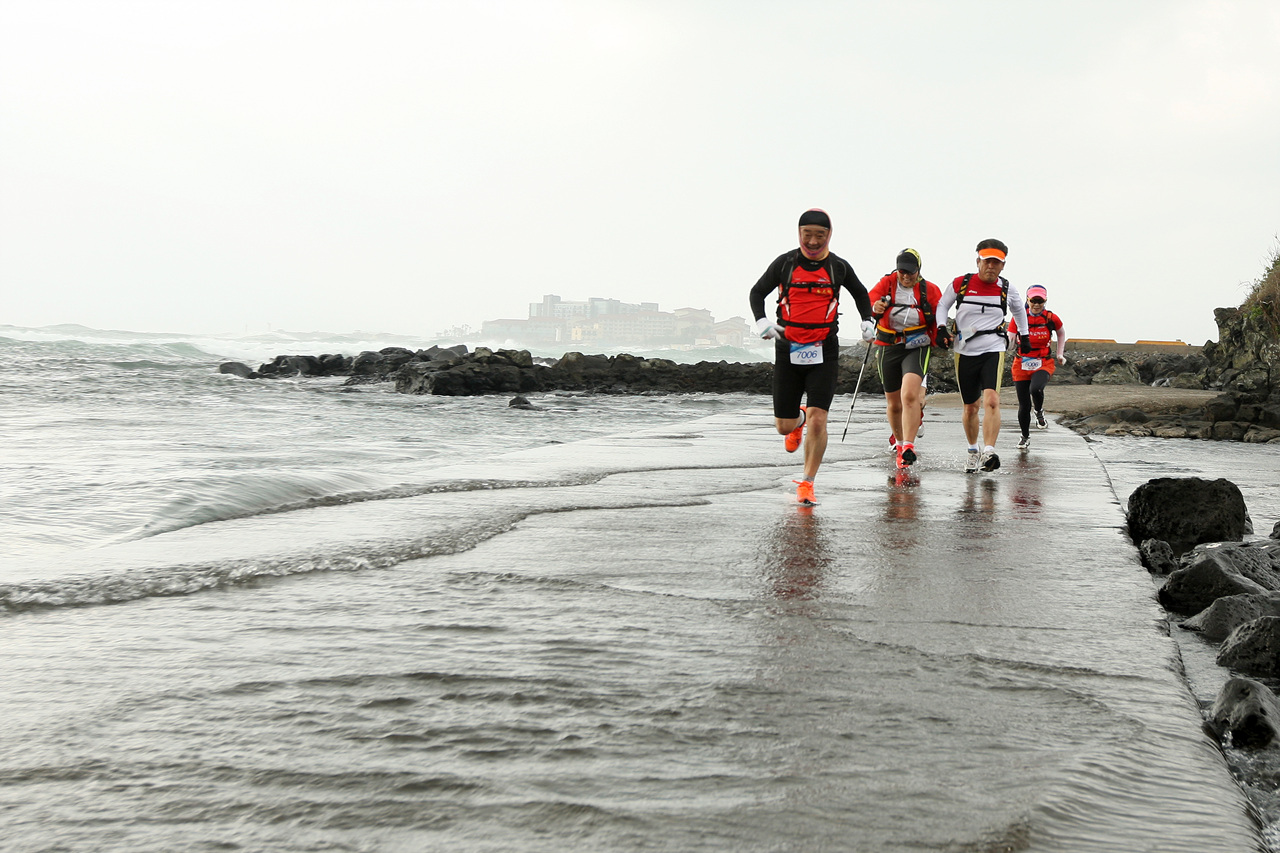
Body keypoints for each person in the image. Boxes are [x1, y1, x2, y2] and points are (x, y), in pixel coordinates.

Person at [749, 209, 874, 505]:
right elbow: (757, 292)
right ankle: (798, 419)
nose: (813, 240)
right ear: (799, 233)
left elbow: (860, 293)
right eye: (808, 234)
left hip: (824, 349)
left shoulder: (837, 267)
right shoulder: (785, 264)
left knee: (821, 419)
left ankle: (807, 482)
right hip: (788, 348)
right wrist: (761, 321)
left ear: (829, 235)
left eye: (820, 235)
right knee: (784, 425)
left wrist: (867, 321)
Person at [935, 238, 1029, 473]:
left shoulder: (1007, 288)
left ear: (1003, 265)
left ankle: (989, 451)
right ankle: (972, 450)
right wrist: (940, 328)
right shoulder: (961, 283)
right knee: (970, 408)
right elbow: (942, 306)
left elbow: (1019, 310)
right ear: (978, 261)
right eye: (987, 261)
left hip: (993, 347)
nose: (991, 266)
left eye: (996, 262)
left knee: (992, 400)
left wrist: (1024, 335)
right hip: (964, 349)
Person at [867, 248, 942, 469]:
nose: (907, 277)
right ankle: (899, 445)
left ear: (919, 270)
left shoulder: (929, 289)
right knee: (893, 402)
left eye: (911, 272)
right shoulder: (887, 283)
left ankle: (909, 446)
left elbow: (939, 315)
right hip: (888, 345)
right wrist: (875, 307)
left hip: (916, 346)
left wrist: (943, 336)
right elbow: (870, 300)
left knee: (909, 395)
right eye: (902, 272)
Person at [1007, 284, 1067, 450]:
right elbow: (1011, 337)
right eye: (1033, 300)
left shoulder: (1050, 318)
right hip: (1021, 363)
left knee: (1036, 389)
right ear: (1028, 300)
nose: (1036, 304)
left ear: (1045, 301)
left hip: (1043, 362)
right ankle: (1025, 436)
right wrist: (1008, 344)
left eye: (1040, 301)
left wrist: (1059, 354)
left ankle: (1039, 411)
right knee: (1024, 404)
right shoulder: (1019, 317)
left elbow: (1061, 333)